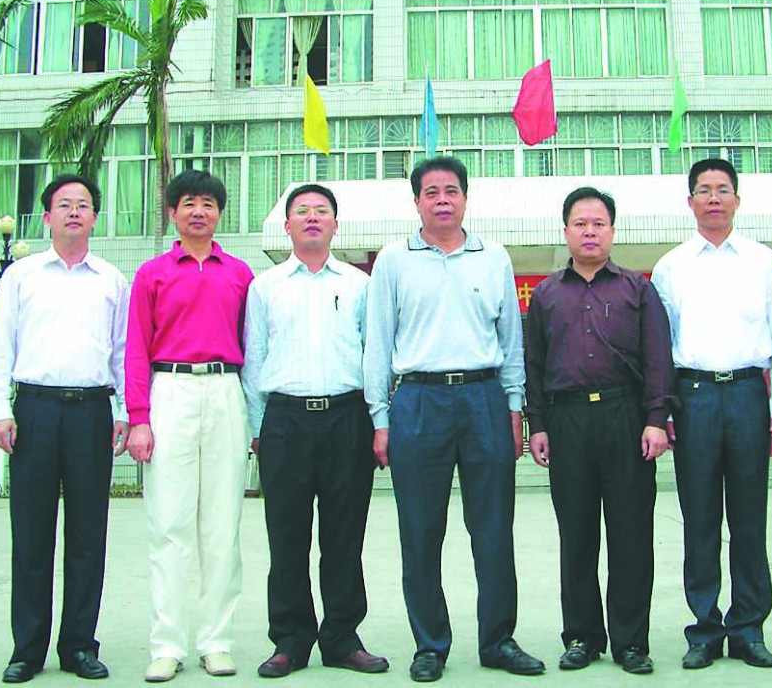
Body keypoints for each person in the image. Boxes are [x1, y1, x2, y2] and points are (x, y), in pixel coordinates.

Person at [363, 156, 544, 683]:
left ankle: (498, 640)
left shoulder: (494, 257)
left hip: (485, 398)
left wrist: (514, 406)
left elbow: (511, 341)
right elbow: (378, 344)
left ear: (466, 197)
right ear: (416, 201)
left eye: (451, 191)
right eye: (431, 192)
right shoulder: (394, 261)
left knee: (493, 528)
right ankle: (430, 644)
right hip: (418, 402)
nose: (442, 200)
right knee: (420, 531)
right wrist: (380, 418)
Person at [525, 187, 675, 675]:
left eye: (598, 223)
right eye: (580, 223)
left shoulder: (638, 289)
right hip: (567, 420)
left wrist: (656, 419)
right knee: (576, 535)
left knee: (631, 534)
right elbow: (534, 365)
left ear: (612, 230)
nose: (589, 232)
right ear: (566, 231)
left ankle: (631, 642)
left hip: (625, 418)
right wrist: (537, 424)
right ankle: (582, 636)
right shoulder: (546, 294)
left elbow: (658, 358)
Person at [0, 175, 128, 685]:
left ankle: (79, 646)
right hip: (35, 411)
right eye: (63, 204)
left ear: (94, 218)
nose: (73, 212)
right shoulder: (21, 276)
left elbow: (121, 352)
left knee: (88, 536)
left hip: (91, 412)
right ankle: (27, 649)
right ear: (47, 217)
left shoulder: (111, 279)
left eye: (83, 205)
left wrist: (123, 411)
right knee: (31, 534)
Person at [242, 184, 388, 679]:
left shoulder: (359, 284)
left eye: (321, 211)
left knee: (344, 538)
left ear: (334, 225)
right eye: (301, 211)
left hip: (348, 418)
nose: (311, 218)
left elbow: (374, 356)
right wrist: (258, 427)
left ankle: (342, 638)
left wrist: (378, 421)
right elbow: (254, 359)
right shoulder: (265, 287)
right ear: (287, 226)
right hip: (285, 421)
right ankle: (290, 640)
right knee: (286, 538)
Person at [651, 158, 772, 670]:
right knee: (700, 517)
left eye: (722, 189)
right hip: (694, 397)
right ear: (689, 202)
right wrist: (664, 410)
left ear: (737, 199)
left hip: (749, 393)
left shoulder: (763, 262)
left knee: (750, 518)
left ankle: (749, 628)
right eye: (703, 190)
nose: (713, 198)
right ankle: (704, 629)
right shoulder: (671, 266)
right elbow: (660, 348)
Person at [125, 169, 254, 683]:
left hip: (225, 391)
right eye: (188, 203)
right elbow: (136, 348)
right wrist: (139, 418)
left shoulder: (240, 273)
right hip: (170, 391)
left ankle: (216, 641)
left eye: (208, 203)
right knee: (169, 525)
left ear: (220, 213)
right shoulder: (152, 274)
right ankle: (168, 644)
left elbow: (254, 346)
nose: (198, 211)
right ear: (172, 213)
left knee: (222, 526)